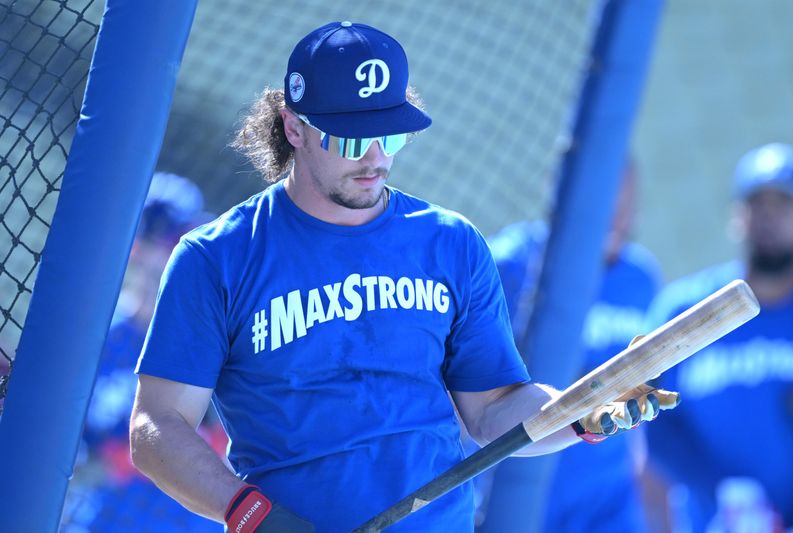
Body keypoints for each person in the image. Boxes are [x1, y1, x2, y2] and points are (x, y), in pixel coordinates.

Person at [128, 21, 678, 533]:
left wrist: (580, 411)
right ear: (293, 127)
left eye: (389, 137)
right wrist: (252, 516)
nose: (373, 159)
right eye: (349, 139)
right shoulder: (217, 257)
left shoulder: (451, 243)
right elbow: (156, 428)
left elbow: (492, 411)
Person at [478, 162, 662, 532]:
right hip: (521, 492)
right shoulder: (512, 262)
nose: (616, 212)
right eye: (605, 197)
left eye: (624, 200)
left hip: (607, 503)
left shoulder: (640, 278)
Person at [646, 142, 793, 531]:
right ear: (737, 217)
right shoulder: (685, 312)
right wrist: (717, 490)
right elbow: (652, 426)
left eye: (783, 205)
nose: (769, 218)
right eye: (757, 205)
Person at [60, 173, 223, 532]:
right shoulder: (95, 341)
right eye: (164, 238)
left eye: (183, 237)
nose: (173, 249)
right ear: (134, 247)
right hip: (104, 522)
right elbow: (67, 449)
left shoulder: (210, 336)